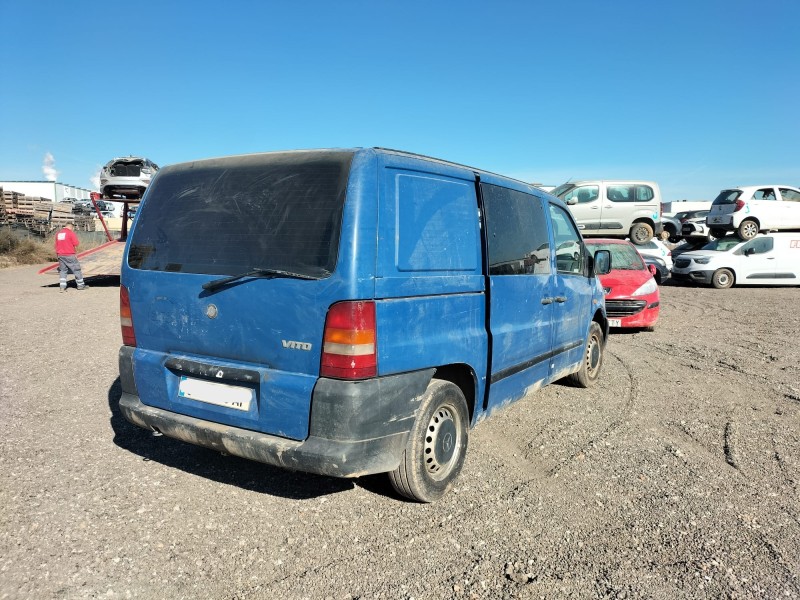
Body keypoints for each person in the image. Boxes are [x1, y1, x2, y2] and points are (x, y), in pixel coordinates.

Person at [54, 222, 86, 292]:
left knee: (63, 270)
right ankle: (80, 285)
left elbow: (56, 245)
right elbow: (76, 243)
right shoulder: (70, 233)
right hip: (69, 254)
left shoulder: (58, 233)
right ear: (71, 227)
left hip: (60, 255)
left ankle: (62, 287)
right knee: (77, 270)